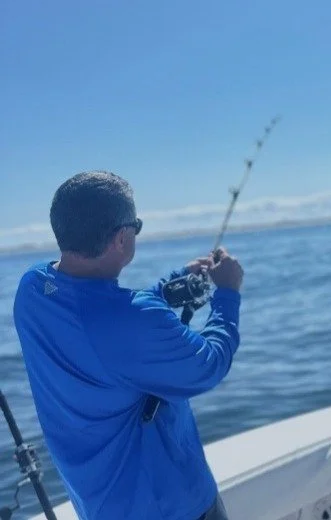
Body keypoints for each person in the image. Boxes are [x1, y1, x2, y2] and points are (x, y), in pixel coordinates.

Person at [12, 171, 244, 520]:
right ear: (122, 238)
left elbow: (104, 316)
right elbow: (209, 364)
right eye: (136, 226)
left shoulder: (34, 288)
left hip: (98, 505)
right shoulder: (132, 320)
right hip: (172, 507)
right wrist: (227, 293)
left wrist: (168, 286)